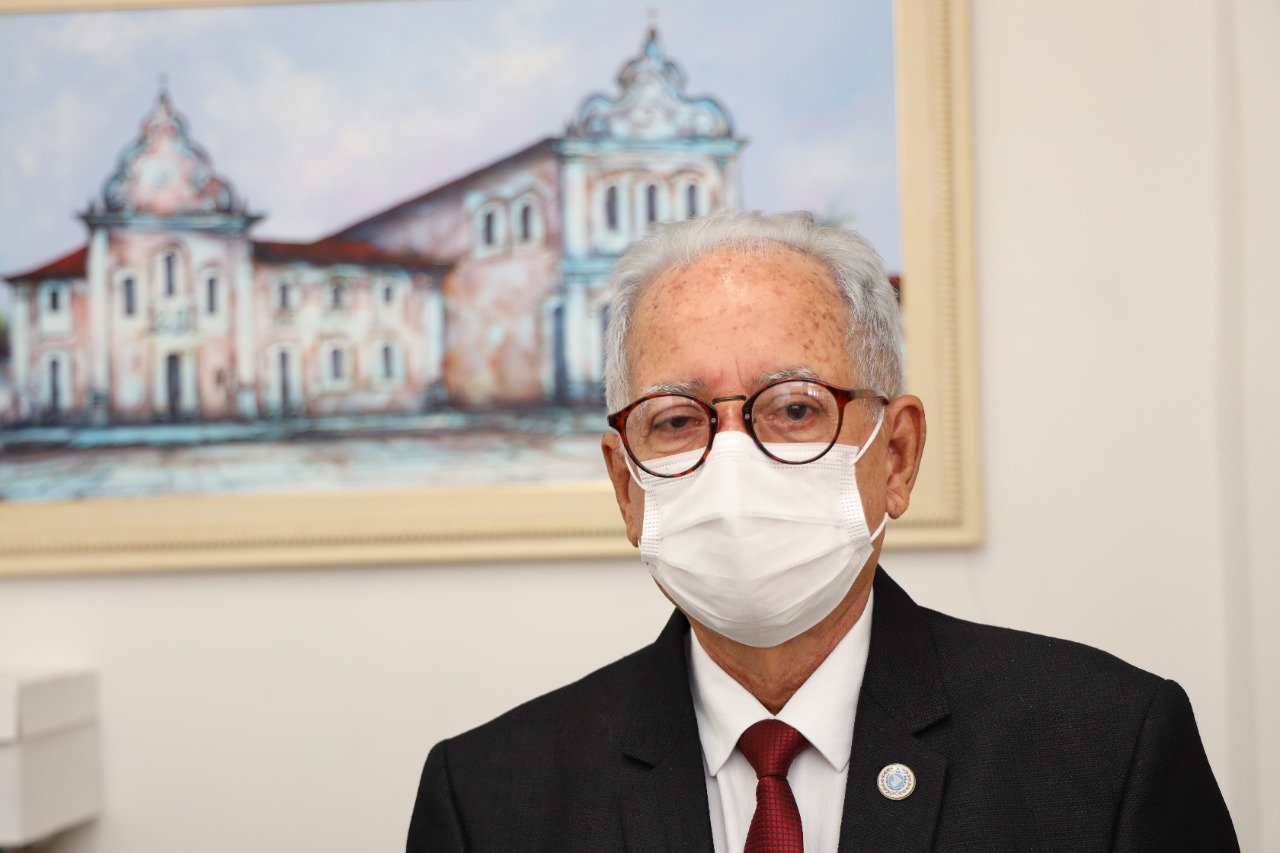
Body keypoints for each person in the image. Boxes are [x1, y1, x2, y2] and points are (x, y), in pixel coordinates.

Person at [406, 210, 1237, 852]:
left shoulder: (1108, 749)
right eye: (676, 419)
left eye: (795, 407)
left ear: (897, 455)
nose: (733, 464)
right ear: (627, 487)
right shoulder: (488, 799)